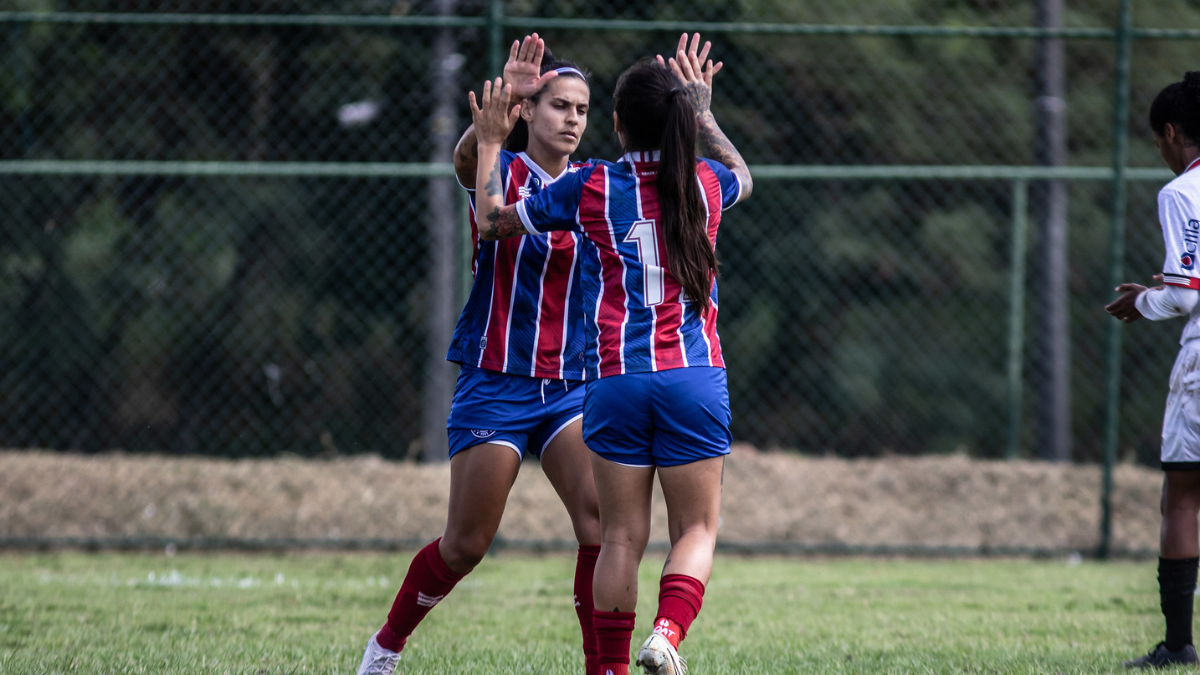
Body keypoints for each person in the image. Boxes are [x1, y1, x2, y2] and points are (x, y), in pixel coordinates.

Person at [470, 33, 752, 675]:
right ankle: (668, 634)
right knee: (696, 533)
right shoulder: (705, 182)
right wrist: (704, 114)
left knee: (620, 537)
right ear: (681, 121)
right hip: (692, 376)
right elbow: (744, 176)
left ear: (616, 124)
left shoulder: (592, 186)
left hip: (615, 380)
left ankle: (611, 669)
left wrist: (492, 138)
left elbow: (491, 221)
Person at [355, 35, 603, 675]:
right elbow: (468, 166)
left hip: (571, 386)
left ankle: (604, 666)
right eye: (559, 106)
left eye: (581, 108)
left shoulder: (594, 185)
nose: (572, 118)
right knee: (466, 546)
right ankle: (386, 645)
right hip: (495, 382)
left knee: (599, 526)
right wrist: (487, 126)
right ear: (529, 112)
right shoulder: (505, 171)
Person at [1106, 71, 1200, 669]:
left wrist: (1142, 302)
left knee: (1184, 498)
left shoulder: (1182, 193)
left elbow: (1188, 294)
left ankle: (1176, 645)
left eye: (1157, 141)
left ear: (1171, 134)